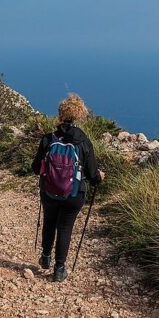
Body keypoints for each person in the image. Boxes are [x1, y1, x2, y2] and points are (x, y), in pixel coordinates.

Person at [32, 94, 104, 282]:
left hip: (49, 191)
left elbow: (34, 168)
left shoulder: (48, 139)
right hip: (74, 193)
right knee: (65, 228)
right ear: (80, 116)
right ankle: (59, 269)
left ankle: (45, 257)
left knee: (49, 221)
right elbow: (93, 174)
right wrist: (99, 177)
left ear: (60, 115)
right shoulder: (83, 141)